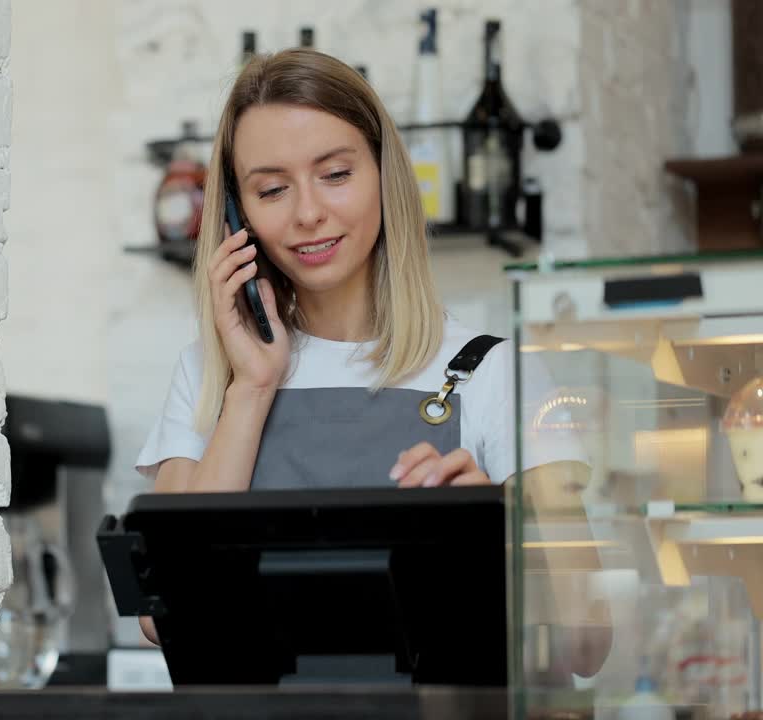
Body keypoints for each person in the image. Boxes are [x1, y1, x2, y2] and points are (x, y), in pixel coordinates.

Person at [132, 48, 605, 675]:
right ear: (235, 216)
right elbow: (163, 615)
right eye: (272, 189)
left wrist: (496, 528)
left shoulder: (494, 373)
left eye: (335, 174)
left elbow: (588, 644)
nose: (307, 213)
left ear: (385, 175)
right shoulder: (212, 374)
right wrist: (253, 385)